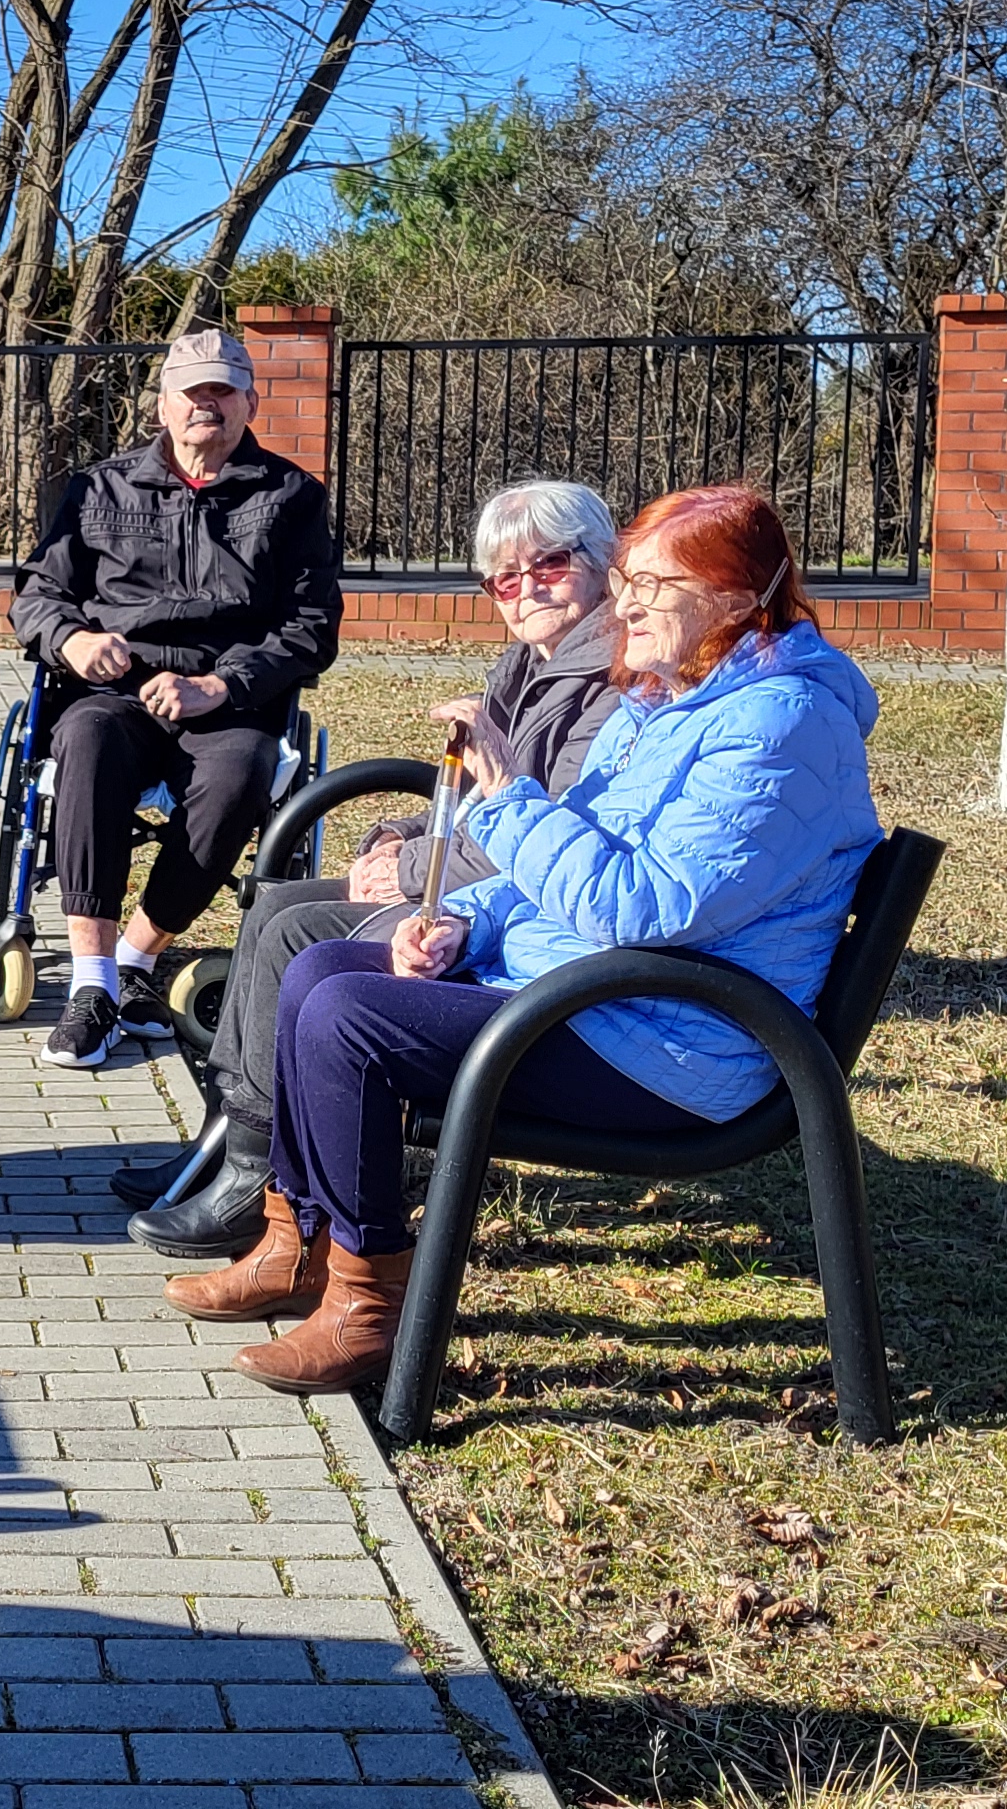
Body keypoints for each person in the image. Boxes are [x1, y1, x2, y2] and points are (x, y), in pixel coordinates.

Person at [162, 486, 884, 1397]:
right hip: (600, 992)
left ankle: (369, 1304)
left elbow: (645, 905)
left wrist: (506, 799)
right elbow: (576, 854)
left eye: (655, 587)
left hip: (677, 1043)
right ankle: (298, 1241)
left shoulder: (782, 724)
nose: (625, 605)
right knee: (319, 967)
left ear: (735, 601)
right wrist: (468, 920)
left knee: (348, 1013)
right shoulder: (670, 701)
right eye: (626, 581)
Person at [123, 479, 626, 1257]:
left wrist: (415, 866)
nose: (525, 590)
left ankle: (256, 1182)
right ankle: (234, 1136)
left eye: (549, 565)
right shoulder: (528, 661)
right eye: (504, 577)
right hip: (472, 878)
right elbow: (470, 795)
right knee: (275, 902)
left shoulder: (610, 684)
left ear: (600, 564)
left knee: (299, 932)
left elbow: (544, 835)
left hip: (511, 910)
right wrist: (393, 837)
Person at [9, 326, 342, 1069]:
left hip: (228, 698)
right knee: (86, 742)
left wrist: (221, 684)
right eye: (193, 393)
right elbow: (36, 595)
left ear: (249, 402)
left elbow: (311, 628)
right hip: (114, 692)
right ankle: (91, 986)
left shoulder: (291, 497)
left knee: (242, 775)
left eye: (222, 392)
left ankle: (135, 956)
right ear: (162, 405)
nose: (207, 406)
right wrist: (72, 642)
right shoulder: (98, 489)